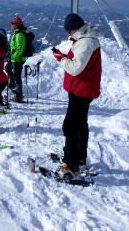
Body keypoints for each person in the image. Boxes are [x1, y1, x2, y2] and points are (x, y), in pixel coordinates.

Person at [52, 13, 102, 179]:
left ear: (74, 29)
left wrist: (60, 59)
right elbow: (79, 64)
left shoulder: (85, 42)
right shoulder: (85, 40)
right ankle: (78, 158)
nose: (68, 35)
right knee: (80, 124)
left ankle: (71, 165)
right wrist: (64, 56)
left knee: (70, 126)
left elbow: (75, 68)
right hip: (82, 89)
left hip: (81, 90)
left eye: (69, 31)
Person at [8, 16, 27, 103]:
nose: (11, 25)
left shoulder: (19, 34)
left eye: (12, 23)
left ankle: (18, 95)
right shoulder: (17, 33)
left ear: (16, 25)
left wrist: (13, 57)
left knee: (17, 76)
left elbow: (20, 48)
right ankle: (16, 92)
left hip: (18, 59)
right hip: (16, 58)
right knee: (12, 72)